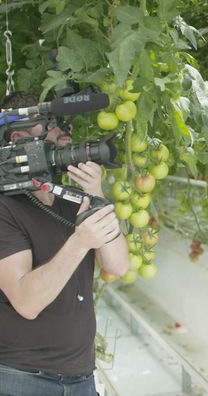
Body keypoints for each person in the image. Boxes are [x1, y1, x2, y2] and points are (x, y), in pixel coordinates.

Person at [0, 92, 129, 396]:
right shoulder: (5, 208)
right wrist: (80, 241)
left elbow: (118, 265)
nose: (64, 133)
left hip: (80, 376)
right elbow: (26, 302)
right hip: (22, 379)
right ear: (18, 136)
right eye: (51, 124)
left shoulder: (70, 200)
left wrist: (96, 193)